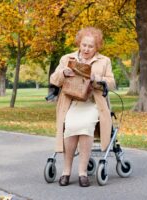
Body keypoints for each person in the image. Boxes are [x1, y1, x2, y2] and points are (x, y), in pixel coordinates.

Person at [50, 27, 116, 187]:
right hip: (72, 103)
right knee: (71, 127)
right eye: (84, 45)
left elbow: (112, 83)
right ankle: (66, 171)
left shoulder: (104, 61)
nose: (86, 49)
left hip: (93, 103)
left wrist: (97, 78)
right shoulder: (67, 58)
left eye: (90, 46)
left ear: (97, 47)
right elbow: (54, 79)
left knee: (86, 126)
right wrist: (63, 73)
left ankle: (82, 172)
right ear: (79, 43)